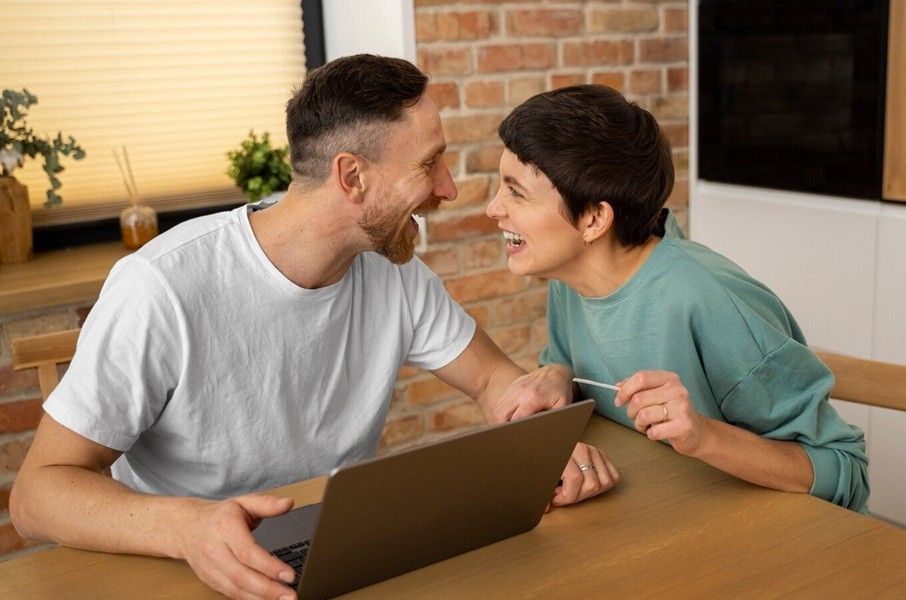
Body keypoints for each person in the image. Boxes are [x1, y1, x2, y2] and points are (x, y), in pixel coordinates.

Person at [9, 56, 617, 600]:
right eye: (430, 165)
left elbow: (493, 382)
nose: (449, 191)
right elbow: (36, 497)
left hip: (331, 558)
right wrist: (189, 527)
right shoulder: (161, 287)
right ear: (351, 177)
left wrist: (538, 423)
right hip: (182, 571)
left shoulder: (392, 273)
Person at [488, 84, 869, 512]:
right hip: (672, 519)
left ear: (594, 219)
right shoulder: (570, 276)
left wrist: (703, 436)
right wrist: (558, 373)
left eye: (515, 192)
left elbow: (844, 469)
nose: (492, 209)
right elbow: (579, 370)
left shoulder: (709, 301)